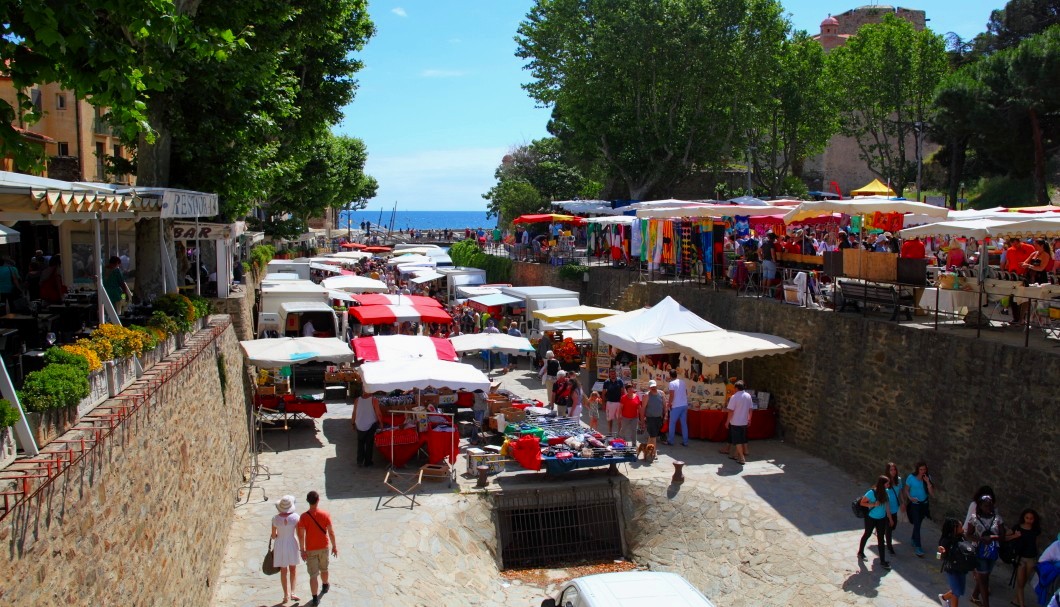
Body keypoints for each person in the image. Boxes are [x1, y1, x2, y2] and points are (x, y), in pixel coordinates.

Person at [297, 490, 337, 607]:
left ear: (308, 501)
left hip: (311, 549)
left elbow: (301, 535)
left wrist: (302, 550)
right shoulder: (325, 515)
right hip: (323, 547)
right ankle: (325, 585)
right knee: (324, 569)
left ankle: (314, 599)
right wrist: (334, 546)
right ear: (318, 500)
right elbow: (331, 532)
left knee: (313, 575)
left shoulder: (304, 517)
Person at [966, 494, 1005, 607]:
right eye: (985, 506)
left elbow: (1003, 536)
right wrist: (980, 539)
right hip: (980, 551)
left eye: (990, 505)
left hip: (993, 551)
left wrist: (992, 537)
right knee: (983, 578)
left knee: (986, 575)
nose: (988, 508)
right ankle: (986, 604)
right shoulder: (974, 518)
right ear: (981, 506)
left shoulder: (998, 519)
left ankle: (974, 596)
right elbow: (968, 534)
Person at [857, 476, 895, 570]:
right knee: (867, 534)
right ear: (882, 484)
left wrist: (890, 519)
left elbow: (887, 507)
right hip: (871, 518)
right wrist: (873, 504)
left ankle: (882, 561)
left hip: (881, 519)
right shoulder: (871, 493)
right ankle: (860, 552)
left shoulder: (886, 493)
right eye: (887, 483)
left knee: (881, 539)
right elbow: (862, 502)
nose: (888, 485)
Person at [270, 495, 302, 603]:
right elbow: (299, 533)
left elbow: (274, 536)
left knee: (283, 571)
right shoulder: (296, 518)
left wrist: (277, 534)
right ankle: (293, 592)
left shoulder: (275, 519)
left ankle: (285, 595)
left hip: (280, 544)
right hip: (291, 542)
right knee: (293, 569)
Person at [1006, 508, 1041, 607]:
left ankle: (1016, 600)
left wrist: (1036, 559)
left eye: (1031, 518)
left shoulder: (1036, 530)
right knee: (1020, 583)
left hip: (1031, 559)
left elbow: (1036, 545)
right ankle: (1022, 604)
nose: (1029, 520)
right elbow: (1004, 537)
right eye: (1027, 518)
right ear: (1023, 518)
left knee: (1024, 582)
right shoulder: (1017, 527)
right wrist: (1014, 536)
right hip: (1020, 558)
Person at [904, 461, 934, 557]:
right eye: (921, 469)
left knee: (918, 523)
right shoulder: (911, 478)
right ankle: (918, 547)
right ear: (917, 469)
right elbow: (906, 490)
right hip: (914, 504)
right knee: (917, 524)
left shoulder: (927, 478)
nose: (922, 471)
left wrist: (928, 482)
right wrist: (910, 498)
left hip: (924, 504)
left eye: (924, 469)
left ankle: (913, 539)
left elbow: (932, 494)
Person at [937, 517, 969, 607]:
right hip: (951, 569)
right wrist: (940, 552)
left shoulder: (962, 538)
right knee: (956, 591)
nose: (962, 528)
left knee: (960, 591)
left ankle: (943, 598)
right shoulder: (946, 541)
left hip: (962, 568)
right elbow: (938, 557)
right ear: (954, 529)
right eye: (960, 527)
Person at [724, 380, 752, 464]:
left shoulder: (734, 397)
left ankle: (741, 457)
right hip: (744, 421)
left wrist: (727, 422)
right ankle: (736, 455)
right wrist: (749, 419)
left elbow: (731, 411)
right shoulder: (748, 396)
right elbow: (751, 409)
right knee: (741, 439)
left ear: (736, 388)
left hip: (736, 421)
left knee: (737, 441)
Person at [353, 389, 383, 467]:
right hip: (370, 424)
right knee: (369, 444)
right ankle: (368, 462)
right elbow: (378, 413)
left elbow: (354, 412)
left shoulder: (357, 400)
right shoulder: (374, 400)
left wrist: (352, 423)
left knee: (360, 443)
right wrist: (381, 423)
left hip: (359, 424)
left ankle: (359, 461)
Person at [882, 462, 904, 555]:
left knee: (893, 526)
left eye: (894, 469)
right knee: (890, 527)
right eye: (891, 470)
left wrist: (903, 502)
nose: (893, 471)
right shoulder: (885, 481)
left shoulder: (898, 480)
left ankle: (883, 531)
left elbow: (901, 492)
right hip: (886, 507)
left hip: (895, 507)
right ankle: (890, 547)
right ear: (888, 471)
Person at [665, 369, 689, 447]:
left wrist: (669, 404)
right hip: (684, 404)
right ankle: (685, 442)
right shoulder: (682, 382)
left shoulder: (671, 383)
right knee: (684, 424)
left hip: (677, 405)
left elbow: (671, 395)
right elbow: (686, 392)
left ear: (670, 375)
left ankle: (671, 441)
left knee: (672, 423)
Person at [642, 380, 665, 450]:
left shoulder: (661, 393)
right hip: (650, 418)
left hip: (659, 418)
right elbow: (643, 408)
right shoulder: (647, 395)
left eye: (654, 386)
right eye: (652, 387)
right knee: (653, 435)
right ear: (649, 387)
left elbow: (665, 405)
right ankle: (654, 452)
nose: (653, 388)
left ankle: (647, 450)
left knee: (652, 435)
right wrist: (642, 420)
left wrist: (665, 415)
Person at [602, 368, 624, 436]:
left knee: (619, 419)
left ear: (616, 374)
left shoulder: (620, 381)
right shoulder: (606, 382)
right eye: (611, 374)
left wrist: (623, 403)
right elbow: (603, 393)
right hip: (610, 402)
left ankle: (619, 433)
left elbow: (622, 392)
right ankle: (610, 433)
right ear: (609, 374)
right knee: (610, 419)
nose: (613, 375)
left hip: (618, 403)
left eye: (614, 374)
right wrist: (603, 403)